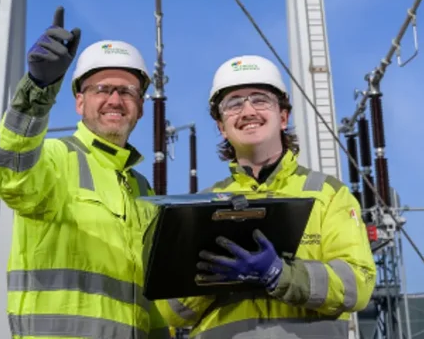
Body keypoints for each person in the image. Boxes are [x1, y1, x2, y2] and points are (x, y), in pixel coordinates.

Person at [0, 6, 170, 339]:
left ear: (140, 107)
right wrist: (38, 88)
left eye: (127, 91)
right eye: (102, 89)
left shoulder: (142, 189)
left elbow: (151, 300)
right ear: (79, 102)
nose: (115, 99)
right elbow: (6, 173)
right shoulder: (53, 158)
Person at [157, 55, 376, 339]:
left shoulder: (328, 194)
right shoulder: (201, 205)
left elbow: (357, 286)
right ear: (222, 127)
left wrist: (281, 275)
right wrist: (208, 281)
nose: (248, 111)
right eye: (234, 103)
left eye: (260, 100)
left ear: (283, 117)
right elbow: (167, 312)